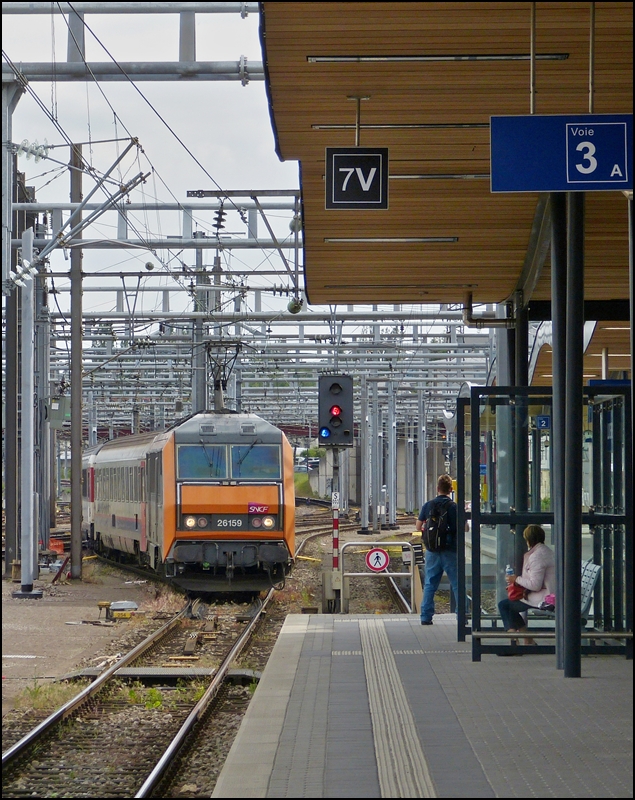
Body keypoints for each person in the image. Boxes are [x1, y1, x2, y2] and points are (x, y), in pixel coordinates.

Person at [498, 524, 555, 644]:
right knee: (509, 605)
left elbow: (535, 585)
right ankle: (527, 639)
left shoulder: (537, 556)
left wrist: (516, 579)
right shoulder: (545, 551)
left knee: (505, 605)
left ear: (529, 540)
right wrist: (516, 583)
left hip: (547, 598)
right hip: (550, 593)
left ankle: (514, 640)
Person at [416, 474, 459, 625]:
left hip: (432, 550)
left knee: (430, 584)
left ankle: (425, 617)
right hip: (451, 550)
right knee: (456, 583)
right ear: (451, 490)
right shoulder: (454, 507)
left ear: (437, 488)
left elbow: (418, 525)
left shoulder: (428, 505)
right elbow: (464, 527)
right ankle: (462, 615)